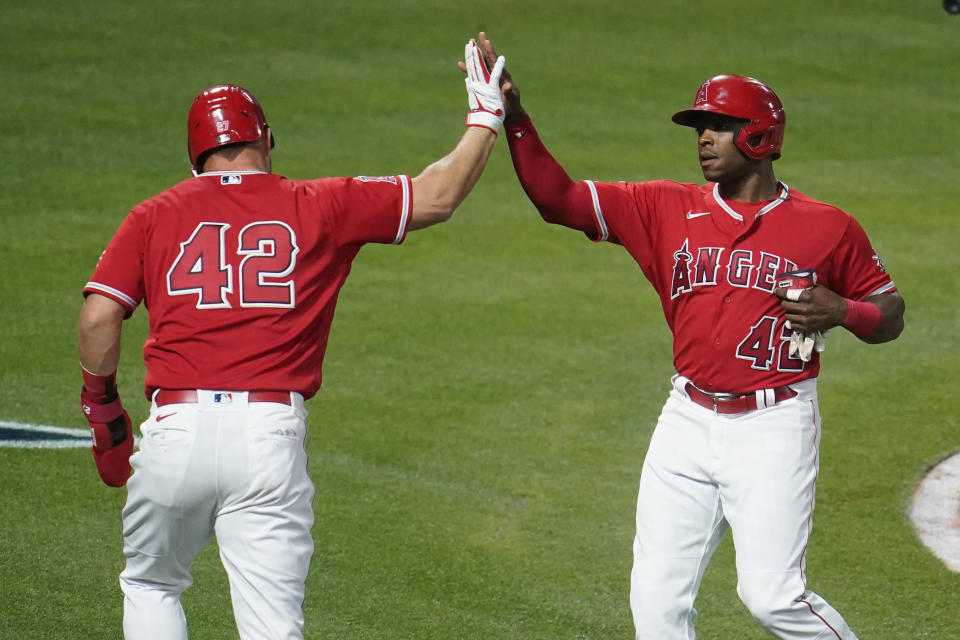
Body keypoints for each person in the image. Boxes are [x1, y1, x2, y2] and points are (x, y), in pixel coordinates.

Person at [475, 33, 904, 640]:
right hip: (686, 420)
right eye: (699, 126)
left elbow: (891, 312)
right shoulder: (663, 207)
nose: (702, 137)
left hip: (773, 425)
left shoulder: (826, 227)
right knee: (654, 605)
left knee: (772, 598)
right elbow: (559, 199)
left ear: (759, 137)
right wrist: (515, 119)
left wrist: (844, 311)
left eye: (718, 126)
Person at [76, 38, 506, 640]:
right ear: (268, 140)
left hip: (178, 430)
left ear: (193, 160)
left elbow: (100, 317)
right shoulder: (320, 203)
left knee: (152, 584)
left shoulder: (154, 212)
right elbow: (436, 196)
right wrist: (485, 116)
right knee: (274, 627)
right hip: (267, 440)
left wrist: (104, 412)